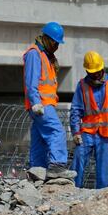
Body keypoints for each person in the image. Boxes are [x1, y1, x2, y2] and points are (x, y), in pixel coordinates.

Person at [23, 22, 76, 181]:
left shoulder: (46, 55)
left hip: (44, 104)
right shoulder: (35, 53)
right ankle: (57, 166)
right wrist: (35, 102)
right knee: (57, 131)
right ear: (46, 39)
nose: (56, 46)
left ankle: (37, 170)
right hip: (41, 105)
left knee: (39, 138)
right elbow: (31, 80)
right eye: (55, 42)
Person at [69, 51, 108, 189]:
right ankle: (71, 191)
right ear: (87, 71)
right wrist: (76, 132)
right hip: (87, 133)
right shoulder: (82, 85)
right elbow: (76, 110)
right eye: (93, 72)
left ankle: (101, 198)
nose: (97, 74)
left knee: (105, 173)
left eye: (98, 71)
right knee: (78, 162)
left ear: (102, 68)